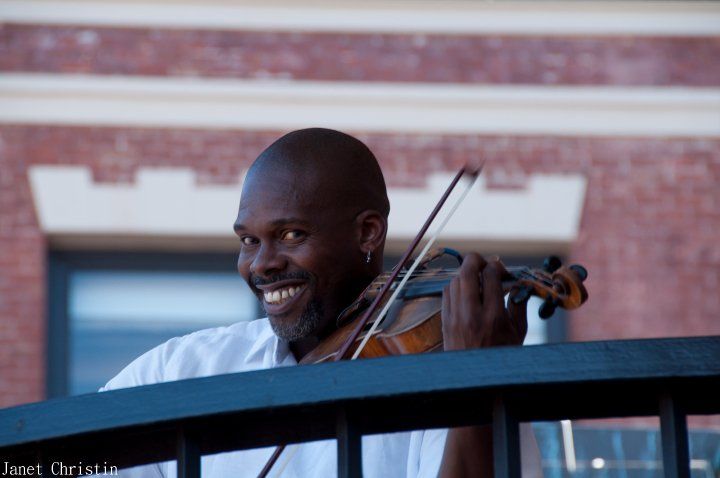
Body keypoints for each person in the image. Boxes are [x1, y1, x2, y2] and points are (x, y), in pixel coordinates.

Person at [100, 128, 540, 477]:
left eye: (291, 235)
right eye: (249, 241)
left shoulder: (439, 369)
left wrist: (474, 376)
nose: (262, 264)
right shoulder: (181, 368)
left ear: (367, 233)